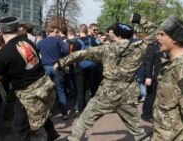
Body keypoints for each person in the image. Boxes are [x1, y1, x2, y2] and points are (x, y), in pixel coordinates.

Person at [54, 13, 157, 141]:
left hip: (106, 93)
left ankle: (74, 138)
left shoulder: (106, 49)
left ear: (117, 35)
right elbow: (154, 33)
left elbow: (82, 54)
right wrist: (140, 19)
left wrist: (61, 63)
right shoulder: (139, 48)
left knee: (86, 117)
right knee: (134, 125)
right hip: (127, 93)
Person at [0, 16, 59, 141]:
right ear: (17, 28)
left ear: (0, 32)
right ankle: (52, 134)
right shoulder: (29, 42)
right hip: (44, 86)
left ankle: (51, 134)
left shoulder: (2, 55)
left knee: (20, 129)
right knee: (41, 110)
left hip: (27, 94)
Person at [37, 25, 69, 120]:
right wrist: (62, 58)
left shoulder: (41, 42)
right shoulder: (58, 40)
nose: (57, 34)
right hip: (56, 67)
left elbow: (35, 52)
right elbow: (66, 49)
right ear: (51, 32)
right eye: (56, 32)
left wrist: (40, 60)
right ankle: (64, 113)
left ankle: (48, 111)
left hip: (46, 67)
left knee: (46, 90)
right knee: (60, 90)